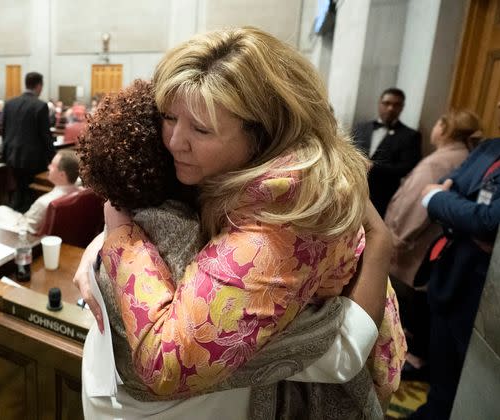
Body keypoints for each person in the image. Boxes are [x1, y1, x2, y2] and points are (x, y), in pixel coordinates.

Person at [75, 28, 405, 418]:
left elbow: (166, 362)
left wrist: (119, 236)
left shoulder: (285, 216)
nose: (175, 141)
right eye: (168, 117)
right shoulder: (231, 165)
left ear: (262, 133)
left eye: (200, 129)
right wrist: (98, 246)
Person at [410, 118, 500, 419]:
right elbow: (442, 188)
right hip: (450, 275)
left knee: (472, 384)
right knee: (442, 375)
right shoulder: (487, 147)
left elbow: (488, 223)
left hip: (485, 292)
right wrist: (450, 203)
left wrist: (445, 200)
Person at [384, 110, 480, 377]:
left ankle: (413, 357)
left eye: (439, 122)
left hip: (415, 247)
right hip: (434, 246)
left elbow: (415, 206)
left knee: (412, 306)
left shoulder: (438, 163)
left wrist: (395, 239)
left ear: (446, 129)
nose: (434, 127)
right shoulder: (465, 157)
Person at [353, 88, 422, 216]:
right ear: (379, 104)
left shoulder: (410, 136)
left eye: (396, 105)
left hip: (384, 197)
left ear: (402, 107)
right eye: (387, 103)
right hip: (353, 192)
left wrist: (374, 166)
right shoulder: (361, 127)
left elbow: (407, 168)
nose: (390, 108)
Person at [2, 71, 55, 212]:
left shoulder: (9, 104)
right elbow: (45, 136)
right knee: (31, 196)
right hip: (33, 160)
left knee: (19, 190)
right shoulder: (40, 106)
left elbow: (4, 131)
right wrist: (54, 159)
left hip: (12, 157)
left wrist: (5, 155)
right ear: (39, 86)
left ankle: (14, 216)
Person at [0, 150, 79, 234]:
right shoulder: (80, 190)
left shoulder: (44, 202)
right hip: (63, 232)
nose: (48, 166)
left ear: (62, 174)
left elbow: (26, 231)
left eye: (52, 165)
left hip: (26, 232)